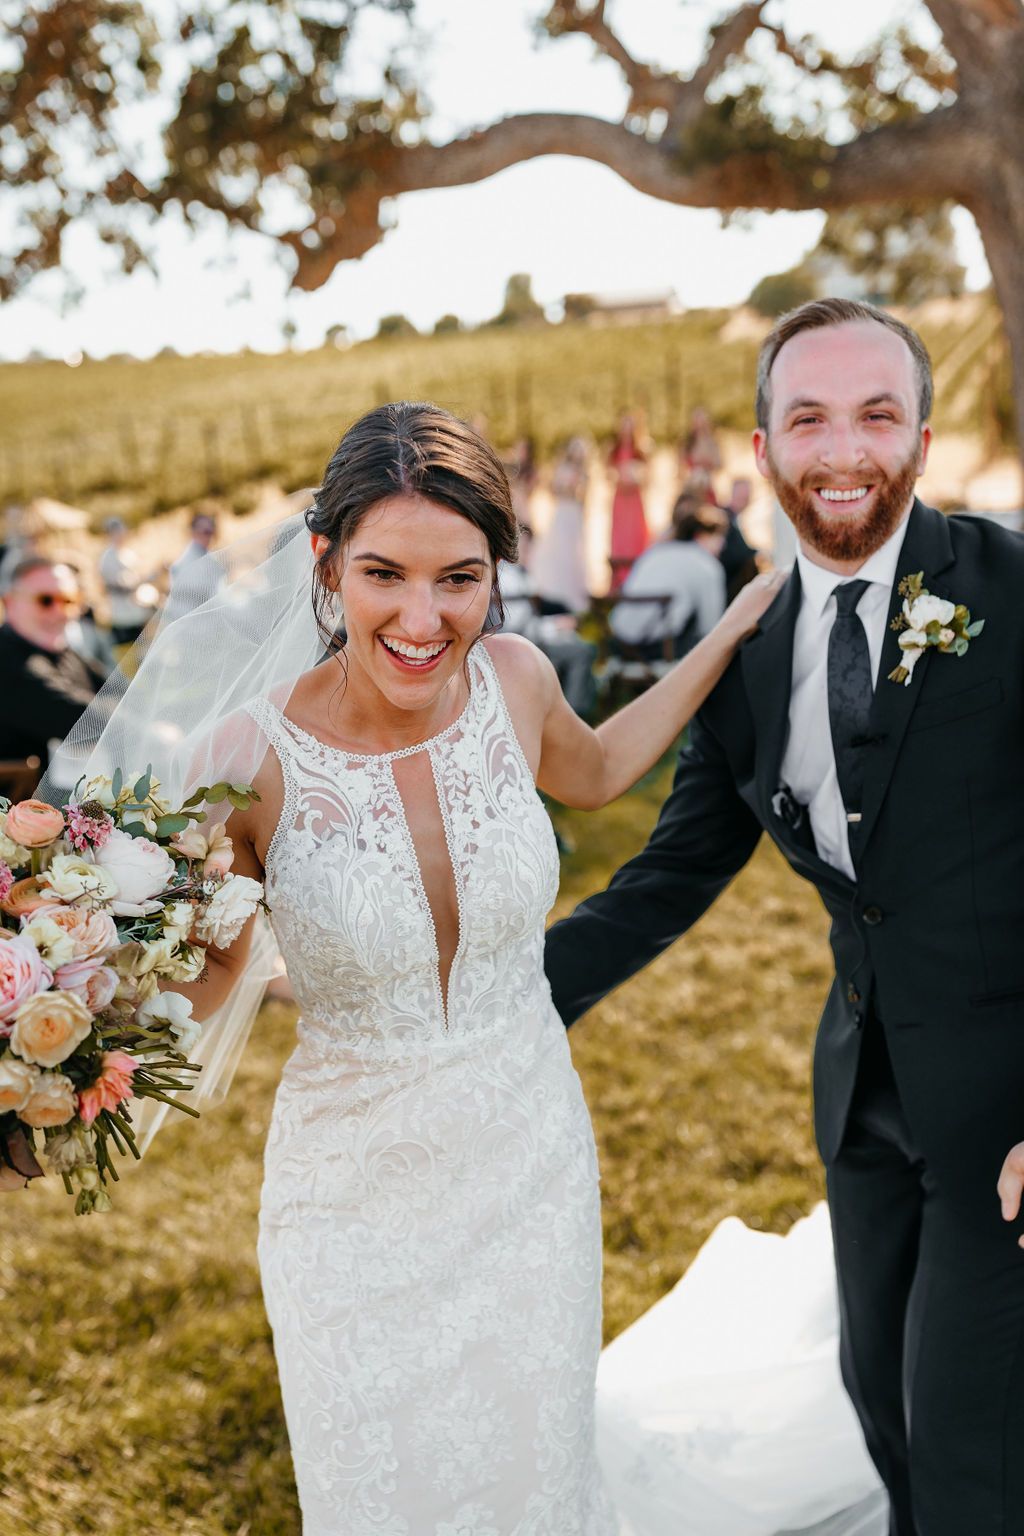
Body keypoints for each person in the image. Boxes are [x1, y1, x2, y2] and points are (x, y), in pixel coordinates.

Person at [82, 402, 776, 1536]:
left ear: (496, 572)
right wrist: (50, 1049)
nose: (422, 617)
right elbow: (198, 986)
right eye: (384, 575)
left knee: (537, 1476)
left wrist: (731, 629)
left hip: (531, 1158)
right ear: (326, 564)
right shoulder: (242, 760)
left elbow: (599, 771)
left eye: (459, 578)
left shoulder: (516, 677)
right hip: (350, 1207)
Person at [547, 297, 1024, 1536]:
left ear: (921, 436)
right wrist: (485, 1002)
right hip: (862, 1108)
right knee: (888, 1423)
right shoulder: (747, 653)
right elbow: (666, 877)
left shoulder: (1014, 589)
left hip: (1005, 1120)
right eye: (808, 419)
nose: (843, 450)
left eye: (876, 415)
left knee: (970, 1452)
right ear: (761, 449)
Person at [0, 557, 106, 769]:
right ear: (9, 602)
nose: (60, 612)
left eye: (69, 601)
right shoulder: (6, 659)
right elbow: (80, 720)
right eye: (46, 600)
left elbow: (120, 692)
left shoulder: (63, 652)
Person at [609, 495, 728, 660]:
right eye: (719, 537)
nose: (723, 545)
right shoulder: (707, 565)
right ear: (702, 535)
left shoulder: (655, 552)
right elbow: (710, 626)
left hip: (621, 643)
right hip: (662, 648)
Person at [498, 523, 597, 718]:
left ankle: (566, 713)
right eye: (523, 546)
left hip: (530, 639)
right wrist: (554, 626)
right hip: (523, 642)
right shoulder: (506, 578)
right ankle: (574, 717)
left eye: (528, 547)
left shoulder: (520, 575)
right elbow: (513, 628)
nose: (527, 552)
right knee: (583, 651)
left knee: (574, 644)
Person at [533, 435, 590, 613]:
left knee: (574, 553)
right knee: (558, 549)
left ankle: (573, 596)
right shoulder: (562, 468)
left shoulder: (585, 473)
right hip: (563, 511)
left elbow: (585, 498)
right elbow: (553, 489)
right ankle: (555, 591)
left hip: (574, 514)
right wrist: (566, 489)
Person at [98, 517, 160, 646]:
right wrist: (134, 584)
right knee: (126, 651)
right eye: (117, 532)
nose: (121, 535)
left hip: (137, 613)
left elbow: (137, 576)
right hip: (122, 616)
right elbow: (112, 584)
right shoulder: (107, 557)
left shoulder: (128, 553)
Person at [607, 410, 649, 591]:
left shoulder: (642, 450)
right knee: (620, 538)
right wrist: (618, 477)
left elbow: (649, 478)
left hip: (635, 500)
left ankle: (638, 578)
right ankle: (619, 580)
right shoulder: (613, 450)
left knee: (636, 535)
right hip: (620, 500)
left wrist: (636, 477)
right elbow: (607, 474)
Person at [720, 474, 761, 601]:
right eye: (742, 496)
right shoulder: (724, 518)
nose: (745, 499)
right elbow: (731, 553)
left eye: (747, 496)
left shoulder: (737, 519)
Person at [679, 404, 723, 499]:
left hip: (707, 486)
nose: (700, 425)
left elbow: (719, 465)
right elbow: (680, 468)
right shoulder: (687, 444)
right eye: (697, 421)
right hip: (690, 488)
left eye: (703, 422)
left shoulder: (713, 443)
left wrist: (708, 466)